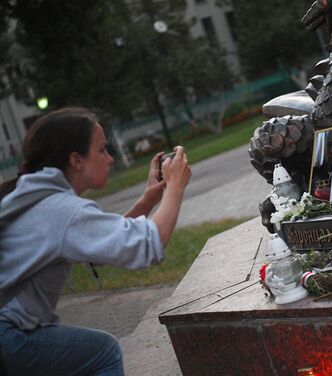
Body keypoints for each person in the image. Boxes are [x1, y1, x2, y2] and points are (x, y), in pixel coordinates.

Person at [0, 107, 191, 375]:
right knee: (103, 351)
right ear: (77, 160)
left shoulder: (35, 197)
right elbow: (147, 245)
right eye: (102, 150)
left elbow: (95, 246)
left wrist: (148, 199)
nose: (110, 159)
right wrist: (175, 188)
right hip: (10, 337)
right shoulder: (59, 208)